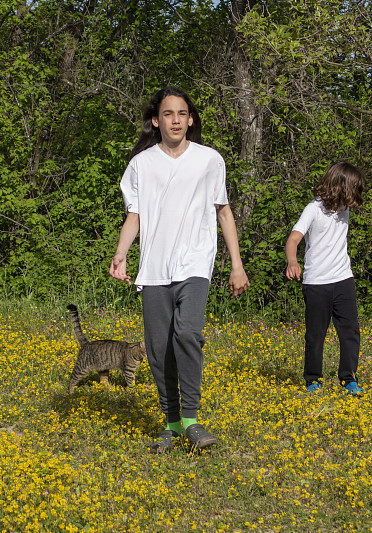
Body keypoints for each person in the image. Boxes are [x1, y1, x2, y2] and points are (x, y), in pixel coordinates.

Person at [109, 86, 250, 452]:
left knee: (186, 333)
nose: (176, 120)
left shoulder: (209, 160)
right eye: (168, 114)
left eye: (182, 114)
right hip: (154, 268)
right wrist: (122, 253)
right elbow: (133, 216)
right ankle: (171, 424)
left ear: (190, 119)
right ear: (156, 121)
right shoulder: (141, 164)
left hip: (195, 263)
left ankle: (190, 419)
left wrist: (236, 265)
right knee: (158, 349)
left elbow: (223, 211)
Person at [285, 162, 365, 395]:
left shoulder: (345, 208)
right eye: (354, 188)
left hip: (343, 279)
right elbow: (293, 240)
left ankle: (349, 379)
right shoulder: (313, 209)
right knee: (315, 335)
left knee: (350, 331)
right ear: (341, 186)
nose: (356, 195)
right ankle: (313, 380)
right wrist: (292, 261)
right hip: (316, 283)